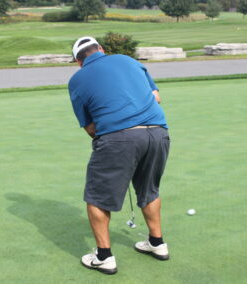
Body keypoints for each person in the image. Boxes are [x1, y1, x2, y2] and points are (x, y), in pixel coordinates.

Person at [68, 36, 170, 275]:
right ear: (101, 50)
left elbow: (90, 127)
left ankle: (104, 257)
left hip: (118, 137)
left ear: (77, 61)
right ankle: (157, 244)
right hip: (158, 132)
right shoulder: (128, 60)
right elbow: (156, 96)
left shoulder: (77, 80)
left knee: (98, 198)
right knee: (149, 189)